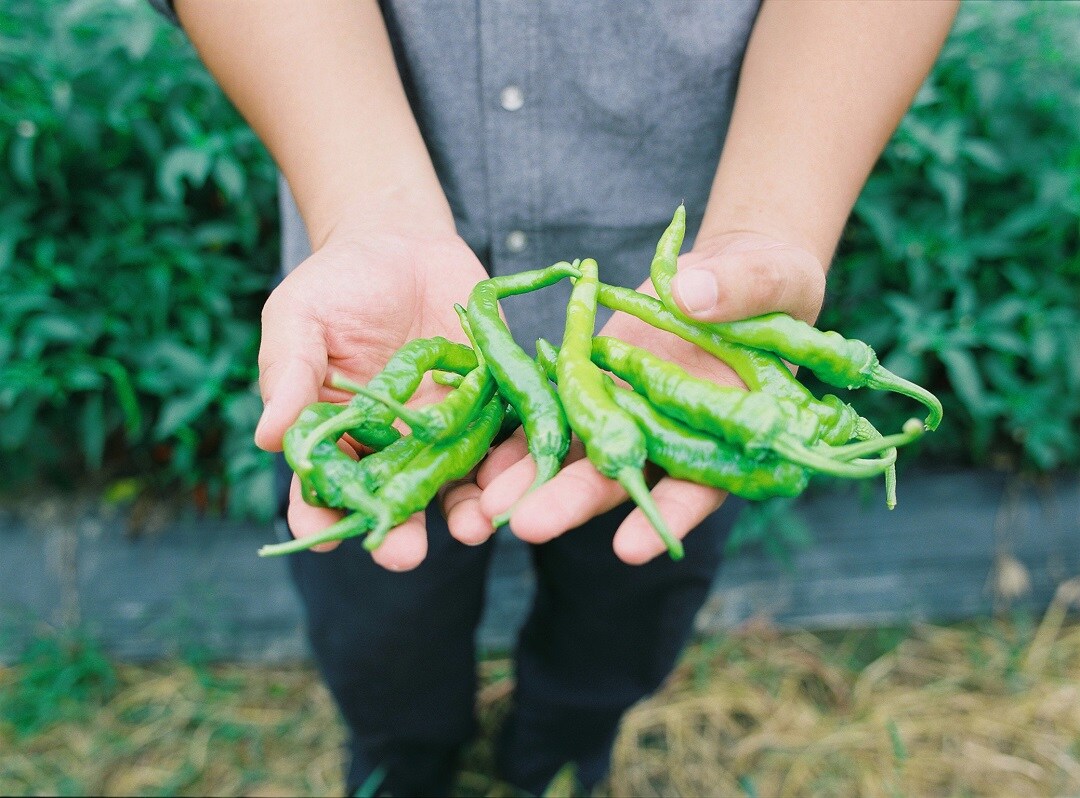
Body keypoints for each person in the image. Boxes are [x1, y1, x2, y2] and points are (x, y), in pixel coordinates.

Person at [157, 1, 958, 793]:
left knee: (621, 627)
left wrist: (774, 220)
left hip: (680, 329)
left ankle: (557, 757)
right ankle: (405, 762)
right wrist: (370, 214)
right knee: (379, 637)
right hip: (380, 327)